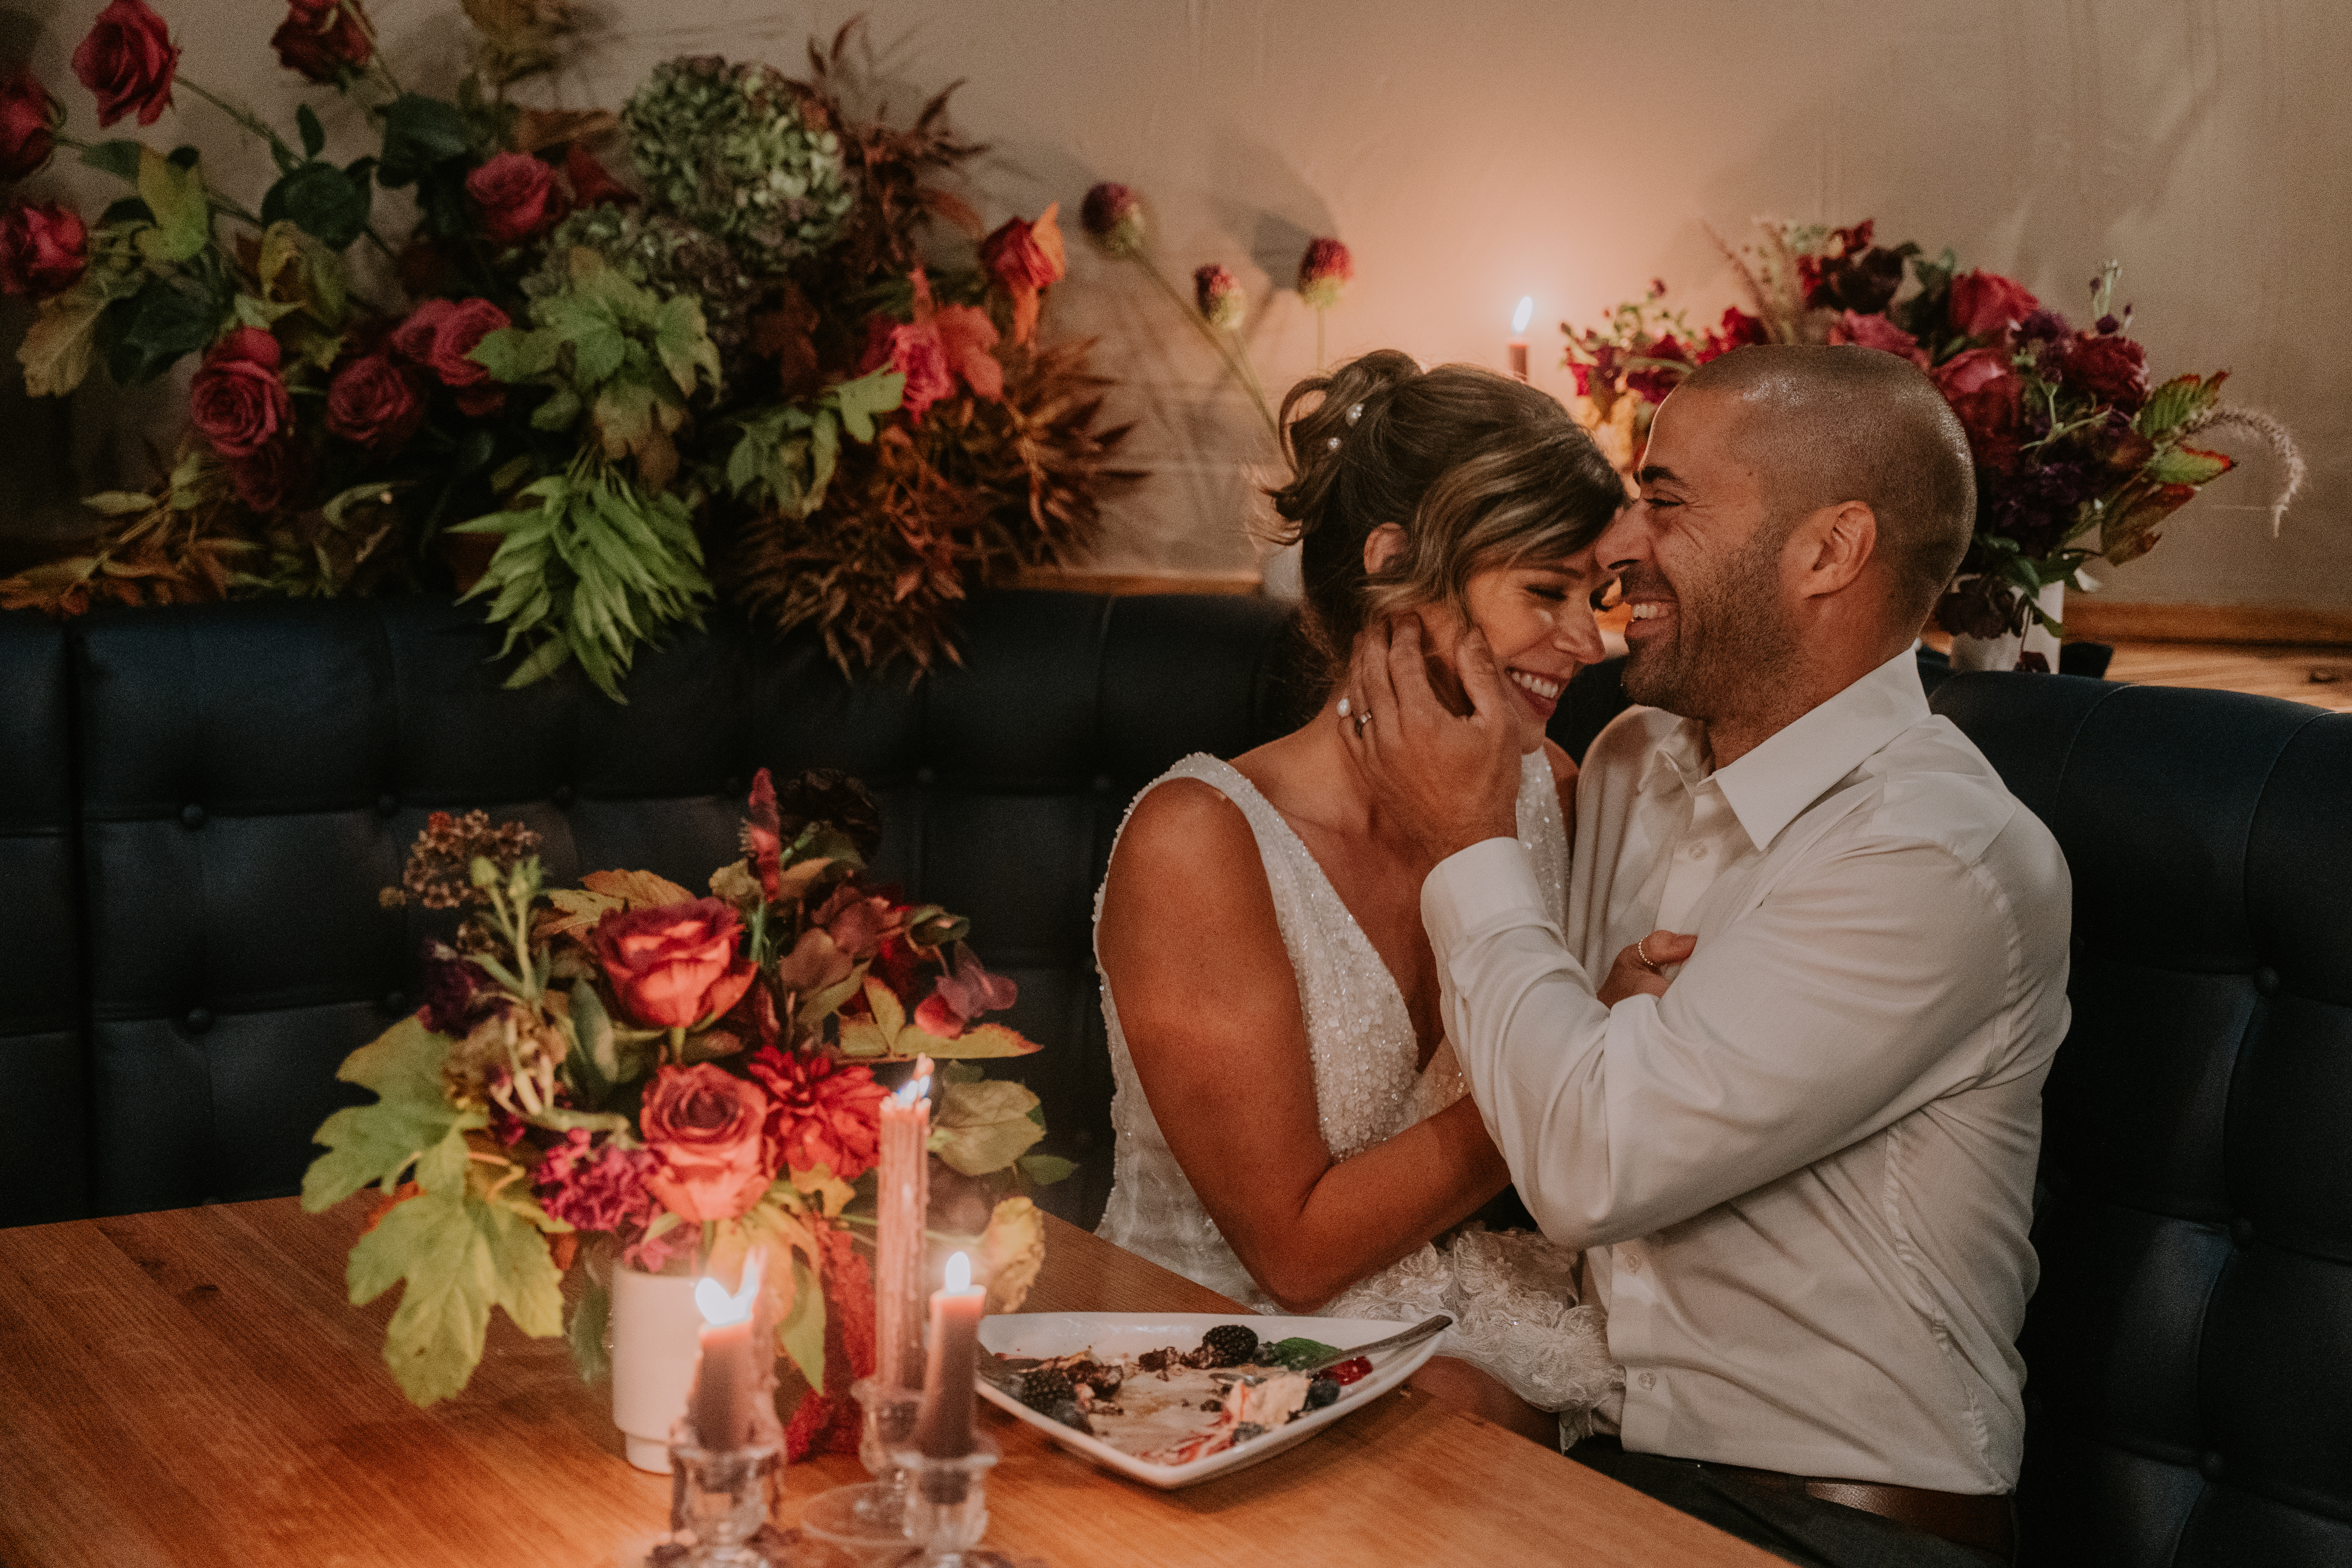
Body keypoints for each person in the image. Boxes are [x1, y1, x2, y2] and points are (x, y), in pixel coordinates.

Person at [1342, 343, 2070, 1567]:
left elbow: (1588, 1161)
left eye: (1665, 501)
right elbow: (1546, 1078)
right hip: (1601, 1459)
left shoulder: (1935, 855)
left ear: (1828, 550)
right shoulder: (1631, 761)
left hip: (1836, 1518)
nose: (1616, 543)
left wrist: (1465, 846)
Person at [1092, 352, 1668, 1442]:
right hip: (1219, 1368)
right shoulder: (1199, 842)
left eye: (1591, 600)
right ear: (1396, 566)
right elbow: (1295, 1254)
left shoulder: (1551, 791)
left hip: (1482, 1347)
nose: (1583, 643)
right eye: (1544, 592)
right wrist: (1578, 1062)